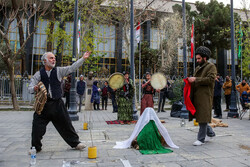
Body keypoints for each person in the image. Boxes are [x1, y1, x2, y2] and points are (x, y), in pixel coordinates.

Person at [28, 51, 91, 153]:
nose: (54, 60)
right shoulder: (38, 74)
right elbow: (30, 88)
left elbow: (71, 68)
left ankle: (76, 143)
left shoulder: (58, 71)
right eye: (51, 58)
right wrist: (34, 88)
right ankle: (36, 147)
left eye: (54, 58)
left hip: (57, 104)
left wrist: (83, 58)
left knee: (67, 124)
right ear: (45, 61)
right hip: (43, 106)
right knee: (37, 127)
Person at [188, 46, 216, 146]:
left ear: (205, 58)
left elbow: (210, 79)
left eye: (199, 58)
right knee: (201, 117)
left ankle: (200, 139)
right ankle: (211, 133)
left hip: (205, 96)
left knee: (203, 117)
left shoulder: (211, 66)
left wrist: (196, 79)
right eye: (196, 58)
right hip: (196, 96)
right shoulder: (198, 68)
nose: (197, 60)